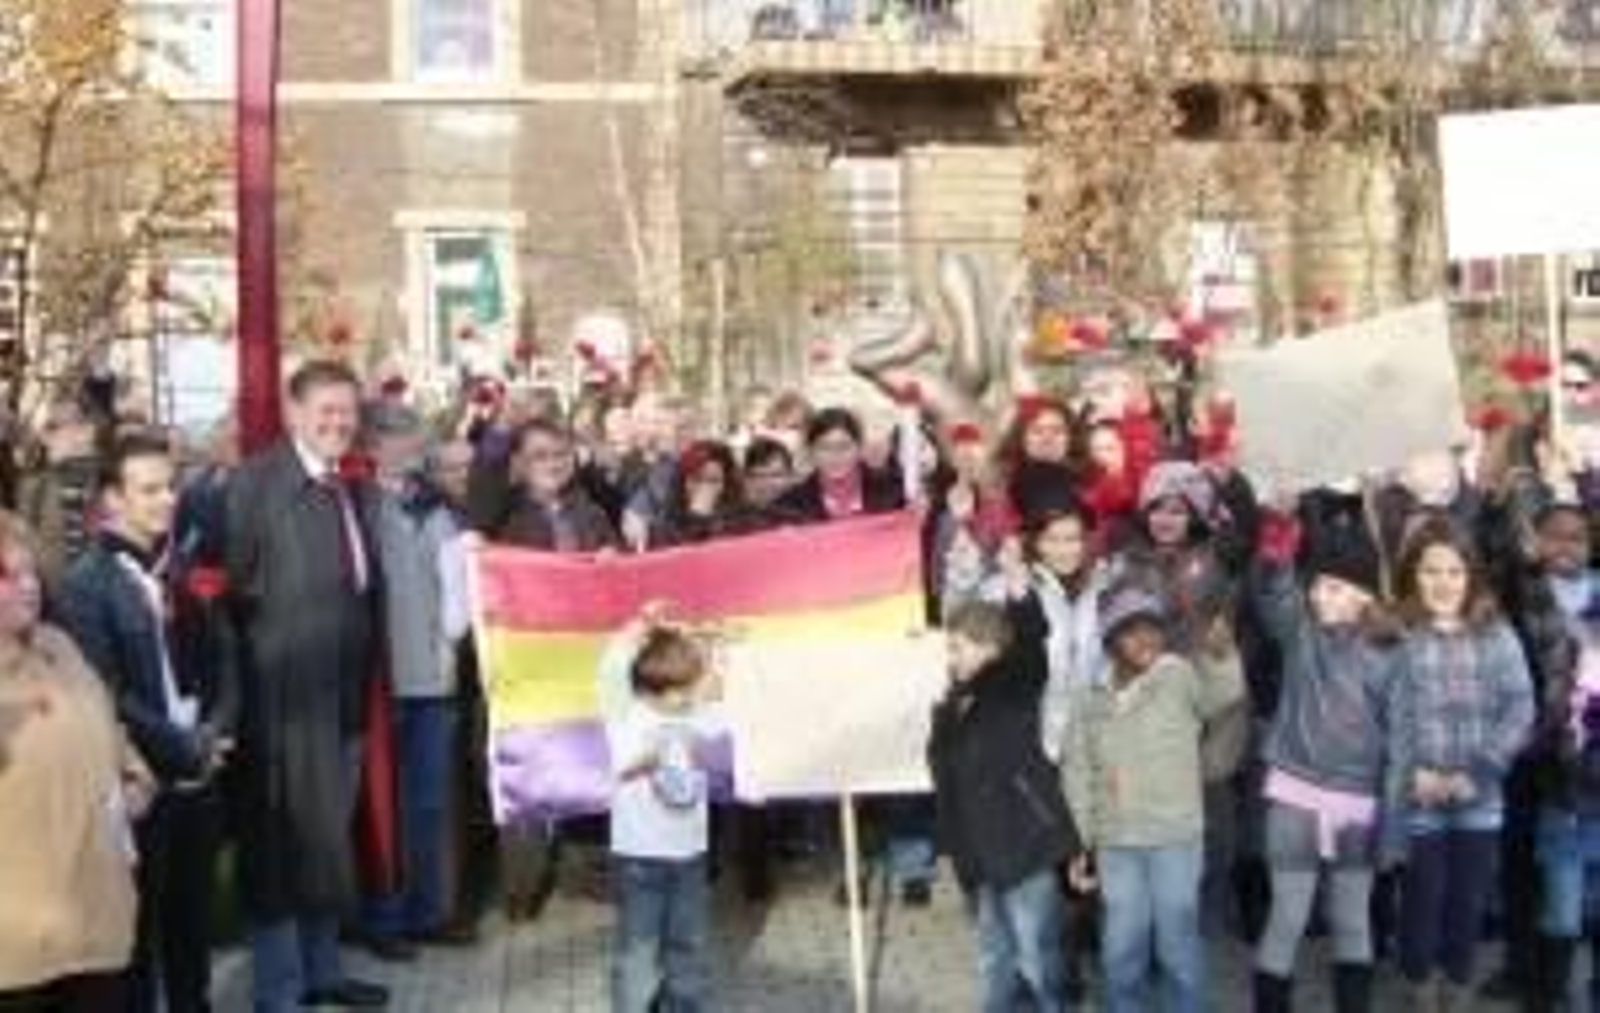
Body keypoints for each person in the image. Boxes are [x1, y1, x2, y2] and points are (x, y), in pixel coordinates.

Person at [225, 360, 388, 1012]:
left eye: (348, 411)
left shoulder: (345, 485)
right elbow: (231, 596)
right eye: (325, 409)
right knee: (279, 854)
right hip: (280, 713)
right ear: (293, 411)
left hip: (342, 705)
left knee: (328, 844)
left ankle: (324, 973)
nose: (338, 422)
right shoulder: (257, 485)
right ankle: (281, 991)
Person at [55, 434, 238, 1013]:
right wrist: (183, 748)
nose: (167, 500)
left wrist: (217, 730)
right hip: (144, 787)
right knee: (138, 944)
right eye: (150, 489)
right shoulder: (88, 585)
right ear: (112, 499)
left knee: (192, 932)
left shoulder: (181, 566)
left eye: (171, 486)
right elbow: (108, 694)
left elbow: (225, 657)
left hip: (200, 777)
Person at [1061, 585, 1244, 1013]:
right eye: (1130, 632)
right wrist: (1081, 839)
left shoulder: (1178, 674)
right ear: (1109, 643)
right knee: (1122, 941)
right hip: (1117, 840)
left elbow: (1222, 697)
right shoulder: (1090, 698)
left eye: (1153, 630)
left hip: (1176, 836)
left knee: (1177, 937)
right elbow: (1077, 770)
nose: (1145, 640)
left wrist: (1220, 657)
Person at [1248, 505, 1401, 1013]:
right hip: (1293, 796)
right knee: (1288, 914)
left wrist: (1395, 816)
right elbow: (1275, 591)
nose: (1318, 595)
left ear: (1364, 596)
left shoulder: (1391, 651)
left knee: (1352, 918)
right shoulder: (1301, 633)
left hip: (1356, 801)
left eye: (1334, 587)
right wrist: (1278, 538)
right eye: (1317, 585)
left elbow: (1402, 737)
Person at [0, 512, 153, 1012]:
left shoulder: (59, 645)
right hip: (21, 949)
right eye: (7, 577)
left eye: (29, 574)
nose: (27, 588)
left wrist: (136, 779)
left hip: (96, 922)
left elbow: (111, 729)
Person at [1386, 519, 1535, 1009]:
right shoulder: (1401, 635)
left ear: (1471, 576)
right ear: (1413, 574)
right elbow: (1389, 714)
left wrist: (1480, 772)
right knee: (1424, 898)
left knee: (1467, 900)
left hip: (1479, 796)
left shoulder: (1496, 633)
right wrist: (1414, 774)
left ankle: (1458, 979)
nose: (1443, 582)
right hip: (1419, 794)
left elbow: (1520, 707)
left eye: (1454, 571)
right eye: (1431, 571)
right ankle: (1418, 980)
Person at [928, 599, 1080, 1013]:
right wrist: (948, 850)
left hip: (1024, 846)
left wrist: (1020, 596)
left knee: (1037, 955)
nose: (951, 656)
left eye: (958, 646)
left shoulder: (1010, 685)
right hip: (980, 857)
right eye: (950, 647)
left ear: (990, 647)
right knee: (995, 956)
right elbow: (947, 788)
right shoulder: (949, 706)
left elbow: (1031, 648)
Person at [359, 404, 473, 951]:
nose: (407, 449)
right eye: (394, 438)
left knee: (429, 803)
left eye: (412, 438)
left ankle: (432, 911)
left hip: (431, 677)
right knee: (381, 807)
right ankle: (384, 918)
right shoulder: (355, 505)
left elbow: (458, 586)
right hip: (377, 682)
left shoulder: (437, 506)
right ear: (372, 445)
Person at [601, 611, 726, 1012]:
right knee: (638, 948)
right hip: (640, 856)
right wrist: (636, 628)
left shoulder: (696, 715)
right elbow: (610, 668)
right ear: (652, 687)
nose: (690, 696)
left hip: (689, 853)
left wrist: (707, 645)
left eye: (692, 687)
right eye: (682, 690)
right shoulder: (626, 714)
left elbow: (718, 688)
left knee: (688, 943)